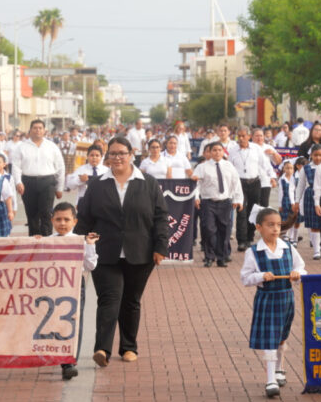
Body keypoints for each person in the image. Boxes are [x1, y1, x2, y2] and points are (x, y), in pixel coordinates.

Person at [75, 136, 169, 366]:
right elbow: (85, 218)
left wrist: (160, 247)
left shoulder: (147, 182)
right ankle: (102, 349)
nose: (117, 158)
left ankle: (128, 347)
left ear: (131, 155)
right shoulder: (97, 184)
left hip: (140, 251)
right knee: (109, 299)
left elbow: (160, 217)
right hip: (104, 252)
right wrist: (74, 244)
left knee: (131, 300)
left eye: (122, 153)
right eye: (113, 153)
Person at [241, 206, 305, 398]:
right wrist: (261, 276)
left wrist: (297, 274)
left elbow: (302, 268)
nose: (275, 229)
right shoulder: (253, 252)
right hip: (267, 298)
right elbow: (245, 278)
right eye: (270, 225)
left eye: (278, 225)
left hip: (286, 297)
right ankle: (270, 379)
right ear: (259, 227)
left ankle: (279, 368)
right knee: (270, 337)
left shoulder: (288, 248)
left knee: (282, 336)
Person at [43, 202, 99, 380]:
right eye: (58, 219)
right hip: (52, 288)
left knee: (73, 322)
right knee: (53, 322)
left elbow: (90, 265)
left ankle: (69, 362)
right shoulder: (47, 241)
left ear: (74, 221)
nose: (62, 223)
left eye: (66, 219)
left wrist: (89, 245)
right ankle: (57, 354)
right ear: (52, 220)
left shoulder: (80, 241)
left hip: (75, 286)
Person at [192, 141, 243, 267]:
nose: (217, 152)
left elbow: (236, 183)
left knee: (224, 231)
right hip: (208, 202)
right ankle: (209, 257)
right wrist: (196, 197)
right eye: (214, 150)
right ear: (209, 152)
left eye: (219, 150)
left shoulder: (229, 166)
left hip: (225, 202)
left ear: (223, 151)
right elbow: (195, 184)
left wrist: (238, 199)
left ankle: (221, 257)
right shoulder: (202, 167)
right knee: (209, 229)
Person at [12, 119, 65, 237]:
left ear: (44, 131)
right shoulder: (21, 147)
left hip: (47, 182)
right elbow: (16, 167)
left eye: (40, 128)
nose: (37, 130)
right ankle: (34, 243)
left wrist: (59, 187)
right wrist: (18, 182)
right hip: (28, 182)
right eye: (35, 128)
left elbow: (60, 167)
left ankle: (47, 240)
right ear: (30, 130)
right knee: (32, 215)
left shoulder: (52, 146)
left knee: (46, 213)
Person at [294, 145, 321, 259]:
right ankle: (317, 250)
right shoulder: (305, 168)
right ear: (311, 155)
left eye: (320, 155)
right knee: (314, 224)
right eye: (315, 155)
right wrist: (297, 201)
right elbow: (300, 185)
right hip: (310, 196)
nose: (318, 158)